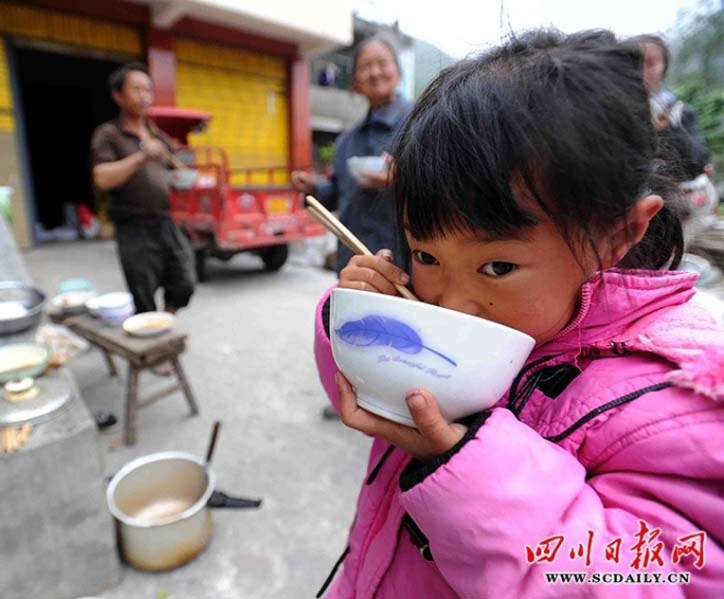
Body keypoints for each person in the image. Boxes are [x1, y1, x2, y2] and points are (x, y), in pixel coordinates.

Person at [312, 30, 724, 597]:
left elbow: (659, 582)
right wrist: (356, 322)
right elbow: (356, 396)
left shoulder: (676, 403)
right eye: (427, 255)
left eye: (497, 267)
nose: (448, 302)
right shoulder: (447, 300)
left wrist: (463, 462)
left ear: (621, 232)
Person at [292, 35, 412, 275]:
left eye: (382, 63)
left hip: (404, 268)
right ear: (356, 81)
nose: (375, 72)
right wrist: (314, 188)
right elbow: (338, 192)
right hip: (352, 267)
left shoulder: (421, 123)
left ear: (398, 73)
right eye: (366, 67)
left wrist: (405, 179)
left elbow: (453, 188)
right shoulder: (348, 140)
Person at [91, 62, 195, 319]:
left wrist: (184, 177)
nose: (144, 95)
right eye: (136, 89)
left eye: (148, 89)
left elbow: (175, 170)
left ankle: (165, 322)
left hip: (164, 221)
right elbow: (102, 178)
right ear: (118, 95)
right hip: (133, 225)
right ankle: (151, 346)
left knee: (184, 281)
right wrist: (141, 156)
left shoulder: (158, 136)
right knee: (143, 292)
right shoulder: (109, 134)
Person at [634, 34, 710, 181]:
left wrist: (667, 130)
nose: (642, 70)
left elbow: (697, 163)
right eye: (635, 63)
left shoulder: (681, 113)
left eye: (650, 63)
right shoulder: (614, 111)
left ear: (664, 68)